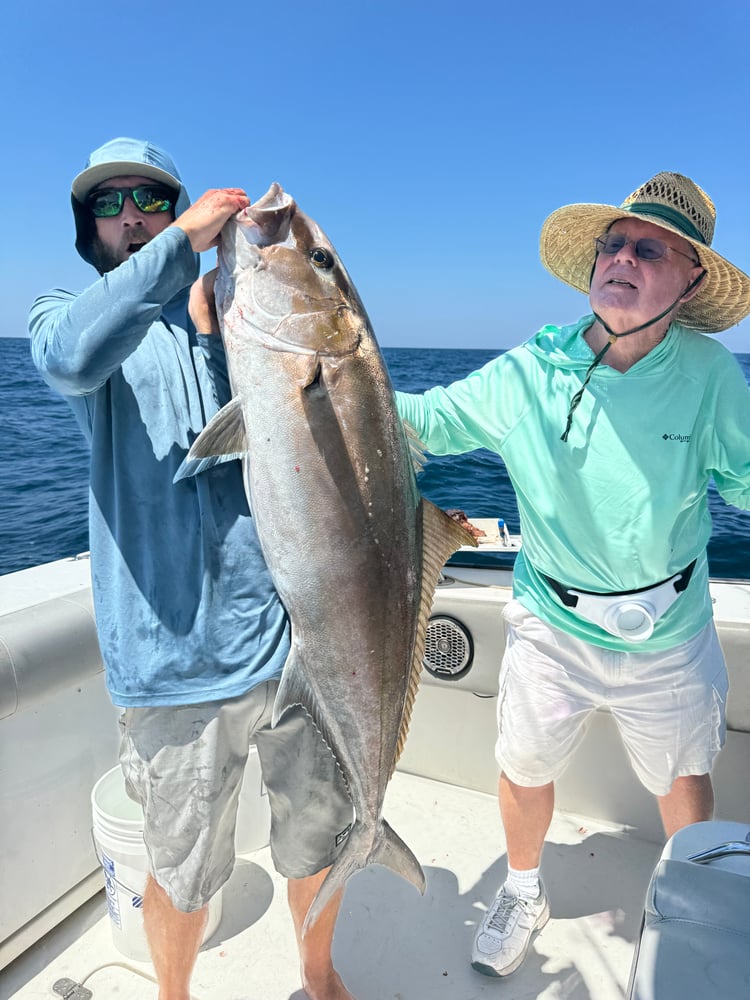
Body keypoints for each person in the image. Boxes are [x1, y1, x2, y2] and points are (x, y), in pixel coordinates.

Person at [394, 172, 750, 979]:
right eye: (613, 244)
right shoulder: (532, 368)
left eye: (648, 248)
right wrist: (327, 375)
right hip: (550, 626)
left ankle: (686, 901)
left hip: (671, 633)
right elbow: (432, 422)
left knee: (685, 779)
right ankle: (522, 889)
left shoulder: (711, 375)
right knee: (523, 768)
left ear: (689, 278)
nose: (621, 258)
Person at [29, 137, 356, 1000]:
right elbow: (67, 356)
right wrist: (179, 256)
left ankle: (319, 978)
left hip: (291, 649)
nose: (130, 214)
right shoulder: (68, 315)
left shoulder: (229, 316)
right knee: (182, 869)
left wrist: (222, 314)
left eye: (150, 198)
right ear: (89, 228)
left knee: (316, 839)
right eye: (109, 203)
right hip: (170, 667)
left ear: (175, 208)